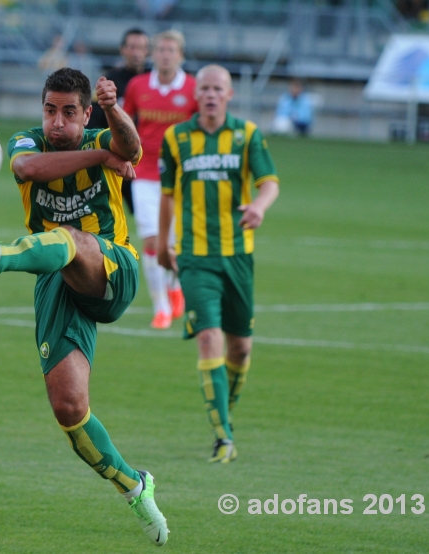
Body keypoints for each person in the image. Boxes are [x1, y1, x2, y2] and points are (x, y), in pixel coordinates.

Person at [0, 68, 169, 546]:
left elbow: (131, 149)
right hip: (56, 277)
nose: (57, 122)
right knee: (69, 408)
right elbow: (27, 170)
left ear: (86, 112)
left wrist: (113, 117)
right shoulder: (25, 142)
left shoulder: (102, 129)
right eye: (51, 110)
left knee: (70, 237)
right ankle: (135, 486)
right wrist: (102, 156)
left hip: (113, 266)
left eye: (70, 112)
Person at [157, 65, 279, 463]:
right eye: (204, 88)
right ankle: (223, 436)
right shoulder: (176, 138)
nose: (210, 94)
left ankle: (224, 416)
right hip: (194, 257)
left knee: (241, 348)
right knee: (209, 337)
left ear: (229, 94)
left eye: (218, 89)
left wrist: (259, 207)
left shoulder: (247, 135)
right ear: (197, 95)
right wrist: (163, 242)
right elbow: (168, 193)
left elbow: (269, 182)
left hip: (238, 255)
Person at [123, 30, 197, 330]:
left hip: (182, 175)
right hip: (146, 173)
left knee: (174, 244)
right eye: (161, 49)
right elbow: (125, 123)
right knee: (152, 241)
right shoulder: (138, 86)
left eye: (171, 50)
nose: (165, 54)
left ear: (180, 55)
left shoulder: (193, 87)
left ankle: (175, 284)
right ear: (154, 54)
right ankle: (161, 307)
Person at [86, 28, 150, 215]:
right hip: (112, 158)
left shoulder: (153, 82)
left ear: (148, 51)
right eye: (131, 47)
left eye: (141, 48)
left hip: (143, 160)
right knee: (103, 214)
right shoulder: (109, 81)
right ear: (122, 50)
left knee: (147, 215)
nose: (136, 53)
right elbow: (93, 122)